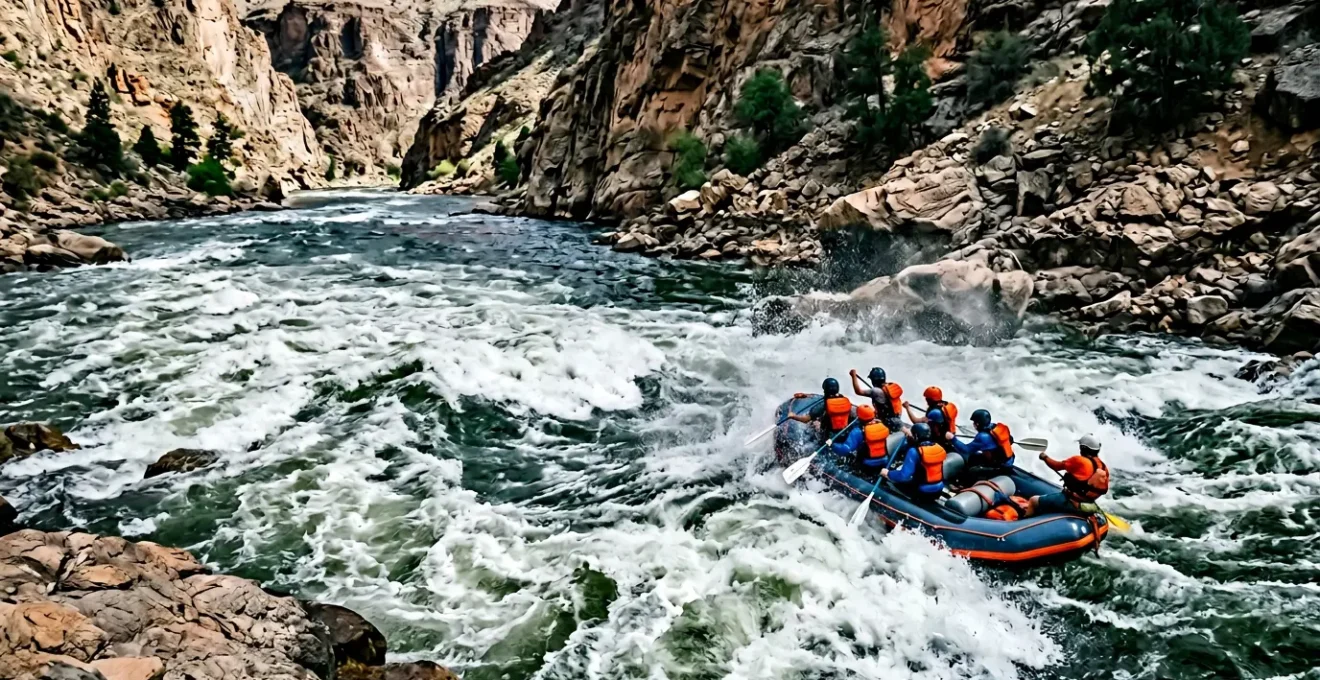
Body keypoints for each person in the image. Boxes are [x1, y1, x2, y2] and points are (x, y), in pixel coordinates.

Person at [1030, 434, 1110, 515]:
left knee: (1033, 501)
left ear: (1083, 448)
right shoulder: (1104, 467)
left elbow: (1056, 466)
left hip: (1072, 503)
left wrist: (1044, 457)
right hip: (1088, 505)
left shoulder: (1079, 460)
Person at [883, 423, 946, 501]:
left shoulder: (914, 452)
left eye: (912, 435)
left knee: (890, 483)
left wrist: (888, 473)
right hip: (938, 490)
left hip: (921, 492)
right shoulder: (938, 448)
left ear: (916, 436)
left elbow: (904, 476)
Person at [831, 404, 890, 477]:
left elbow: (845, 449)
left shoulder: (858, 432)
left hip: (867, 465)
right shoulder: (881, 425)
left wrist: (832, 445)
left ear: (859, 417)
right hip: (884, 461)